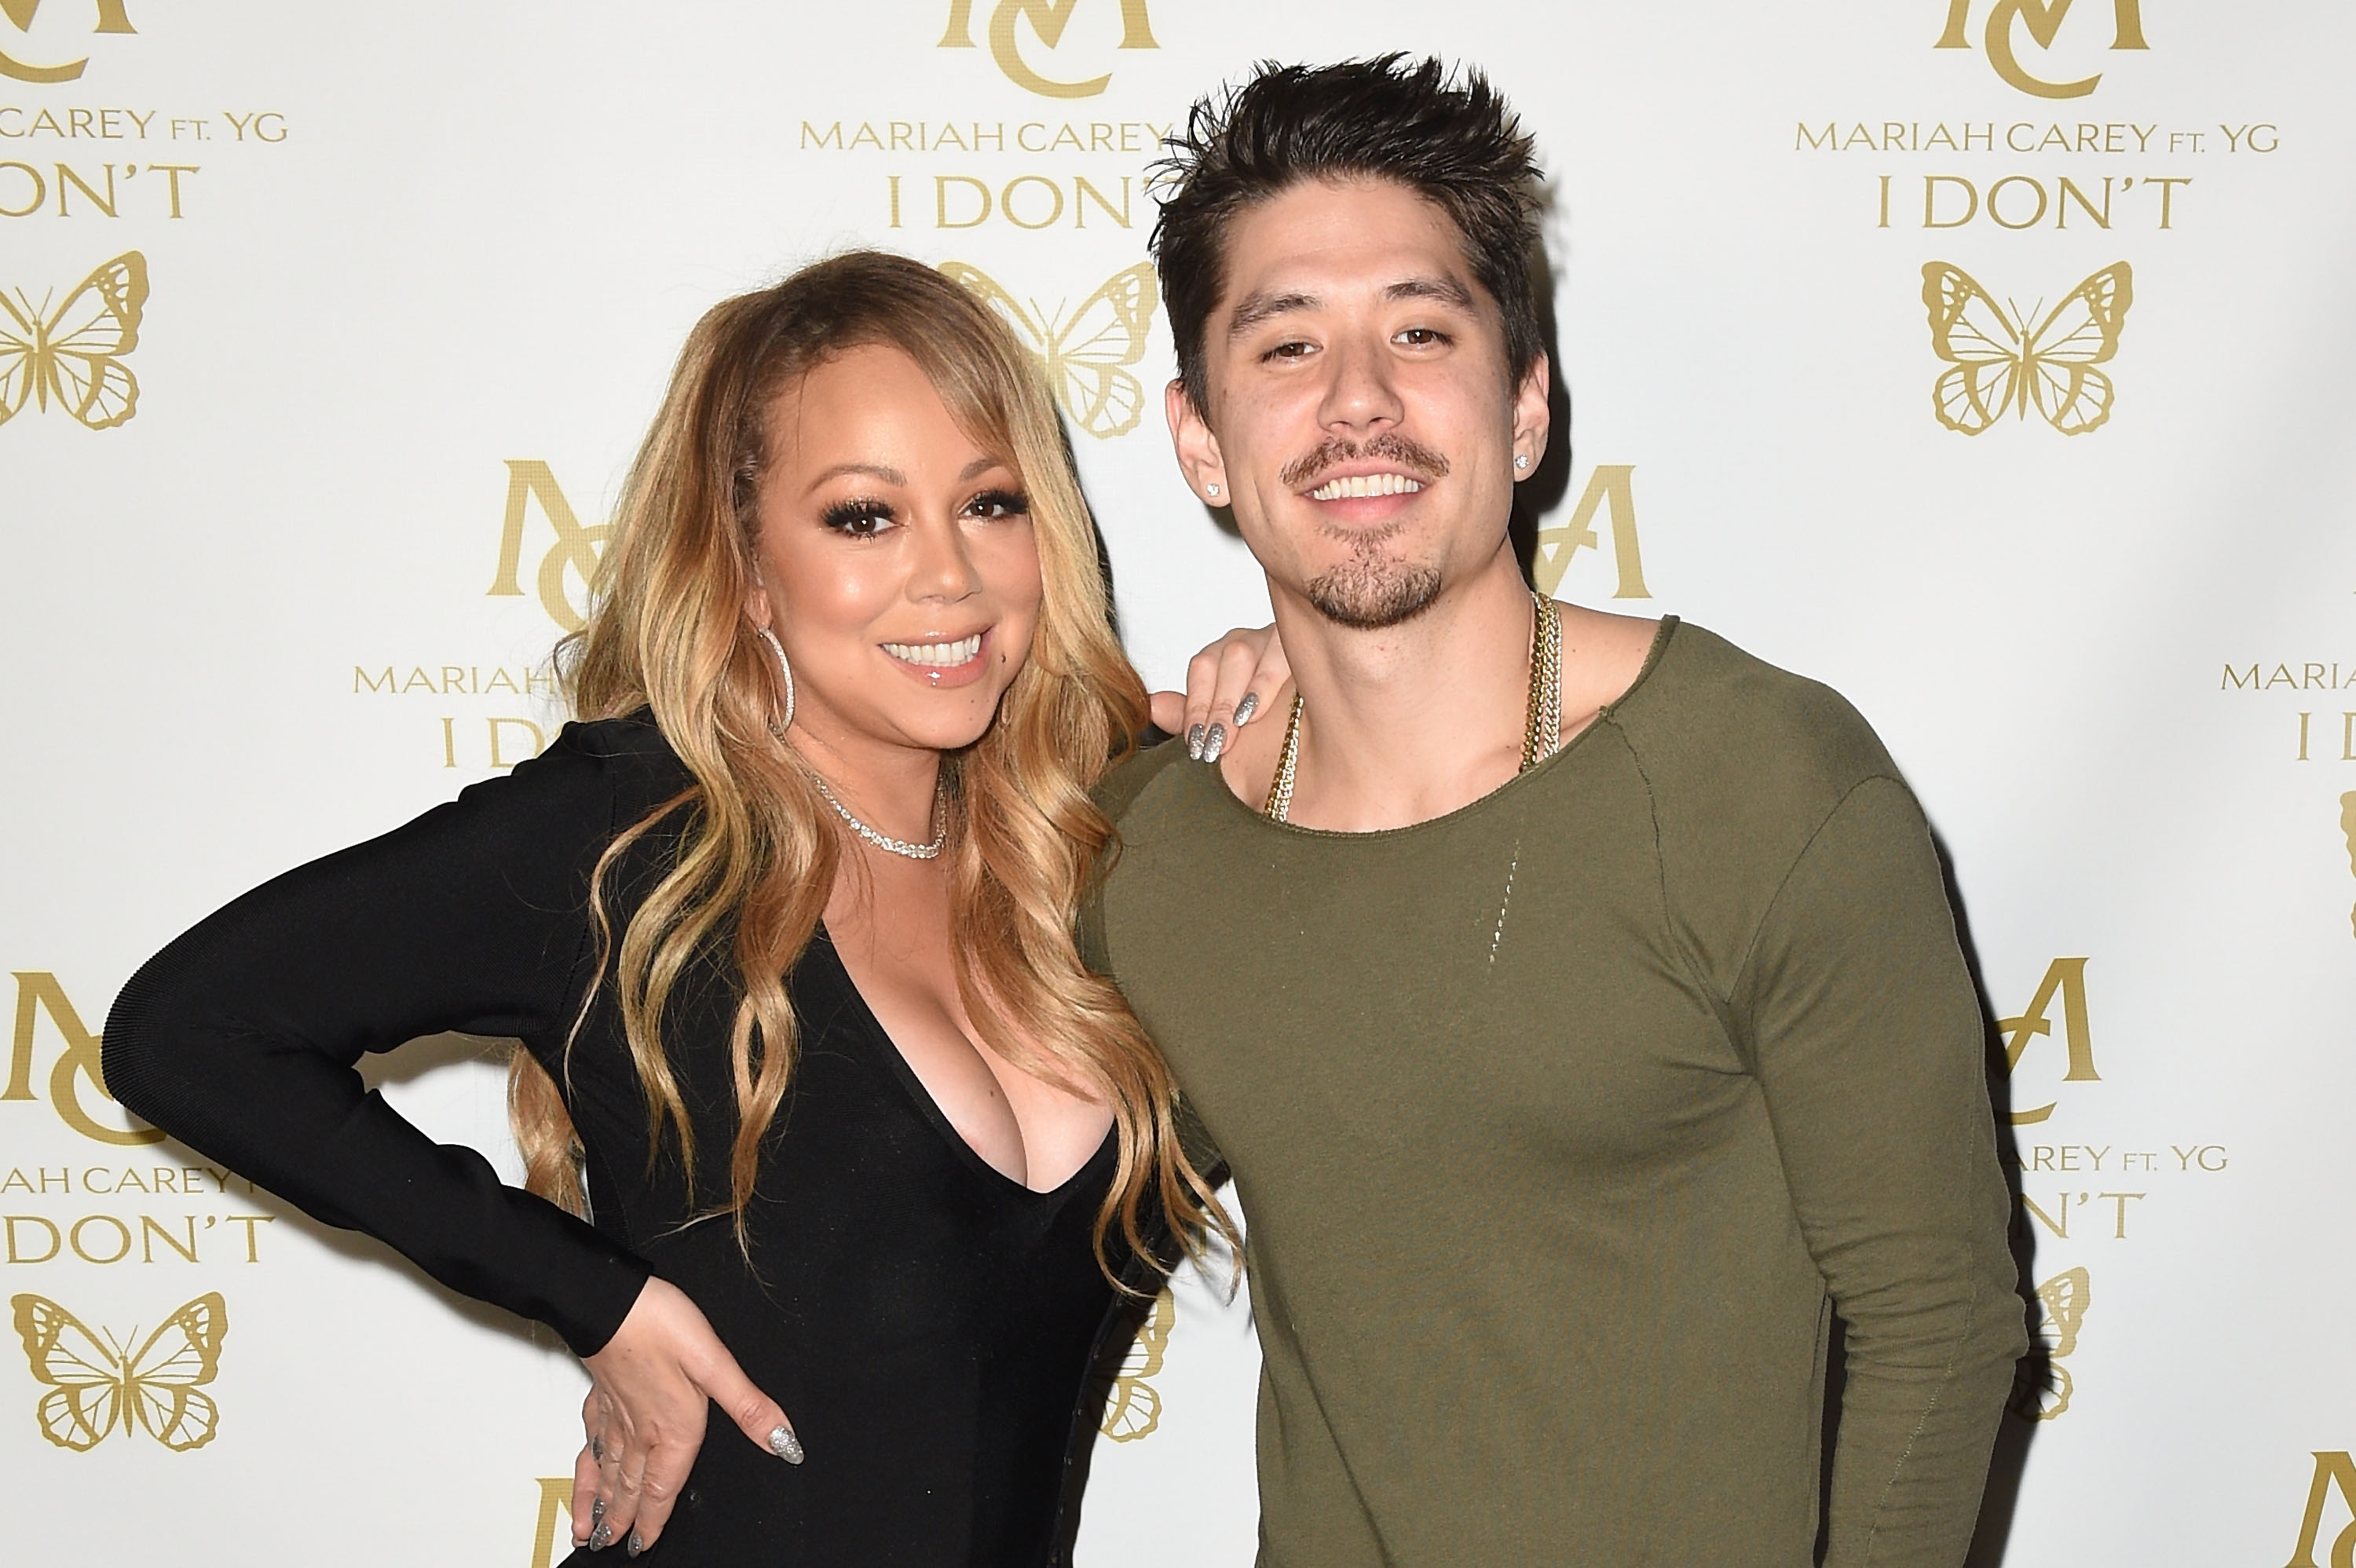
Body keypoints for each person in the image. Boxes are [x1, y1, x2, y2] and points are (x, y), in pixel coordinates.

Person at [100, 250, 1227, 1565]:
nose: (951, 577)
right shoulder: (628, 835)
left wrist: (1277, 680)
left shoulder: (1094, 834)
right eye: (864, 516)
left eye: (990, 503)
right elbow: (185, 1032)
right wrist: (598, 1300)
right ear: (745, 564)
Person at [1086, 57, 2029, 1566]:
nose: (1358, 400)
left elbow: (1941, 1324)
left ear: (1525, 407)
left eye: (1420, 330)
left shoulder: (1760, 781)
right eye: (1287, 344)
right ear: (1201, 439)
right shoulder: (1154, 853)